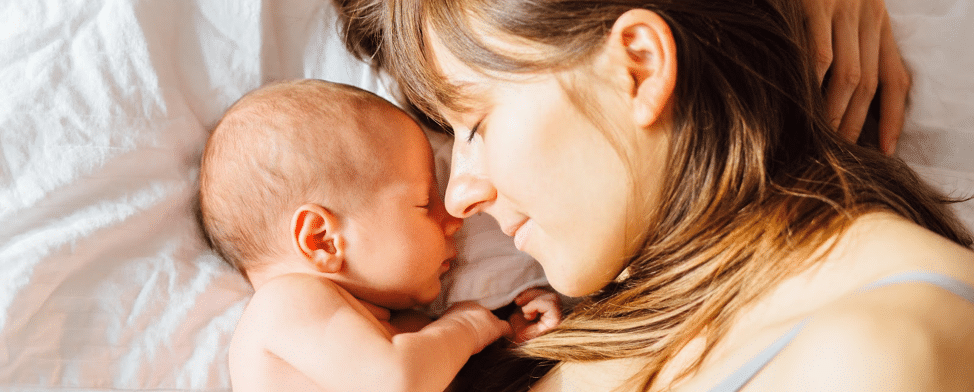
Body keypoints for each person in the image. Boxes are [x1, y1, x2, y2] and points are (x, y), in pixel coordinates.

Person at [333, 0, 974, 391]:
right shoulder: (614, 313)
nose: (460, 195)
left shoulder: (874, 354)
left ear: (638, 66)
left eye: (473, 123)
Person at [197, 79, 561, 391]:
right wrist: (469, 326)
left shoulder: (398, 330)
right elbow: (397, 381)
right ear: (322, 239)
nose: (453, 218)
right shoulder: (286, 304)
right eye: (423, 203)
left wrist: (508, 335)